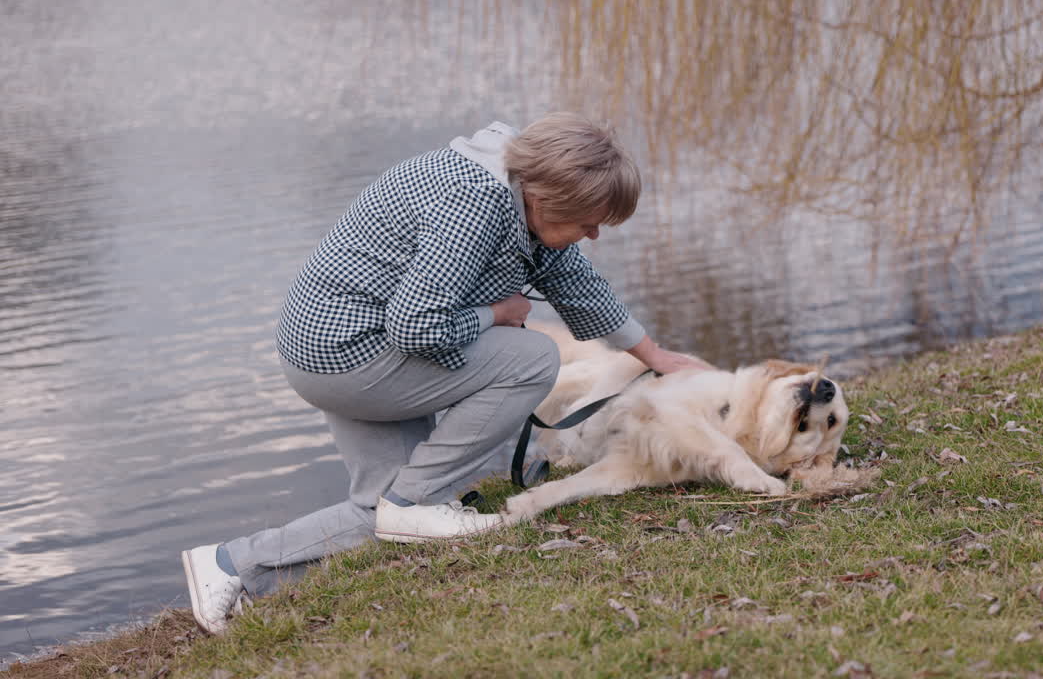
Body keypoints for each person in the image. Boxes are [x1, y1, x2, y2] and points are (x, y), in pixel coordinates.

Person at [179, 113, 709, 634]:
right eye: (589, 221)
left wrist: (654, 356)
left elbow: (577, 284)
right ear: (549, 199)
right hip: (348, 355)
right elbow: (416, 325)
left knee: (380, 512)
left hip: (332, 349)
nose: (594, 234)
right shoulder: (475, 199)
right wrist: (497, 316)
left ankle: (230, 567)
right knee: (534, 359)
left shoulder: (523, 197)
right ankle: (413, 502)